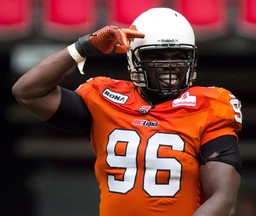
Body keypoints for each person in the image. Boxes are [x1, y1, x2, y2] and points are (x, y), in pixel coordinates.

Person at [12, 7, 243, 216]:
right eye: (156, 57)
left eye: (179, 56)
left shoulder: (209, 106)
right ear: (134, 59)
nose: (169, 66)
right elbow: (28, 92)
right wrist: (82, 48)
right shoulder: (105, 99)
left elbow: (223, 199)